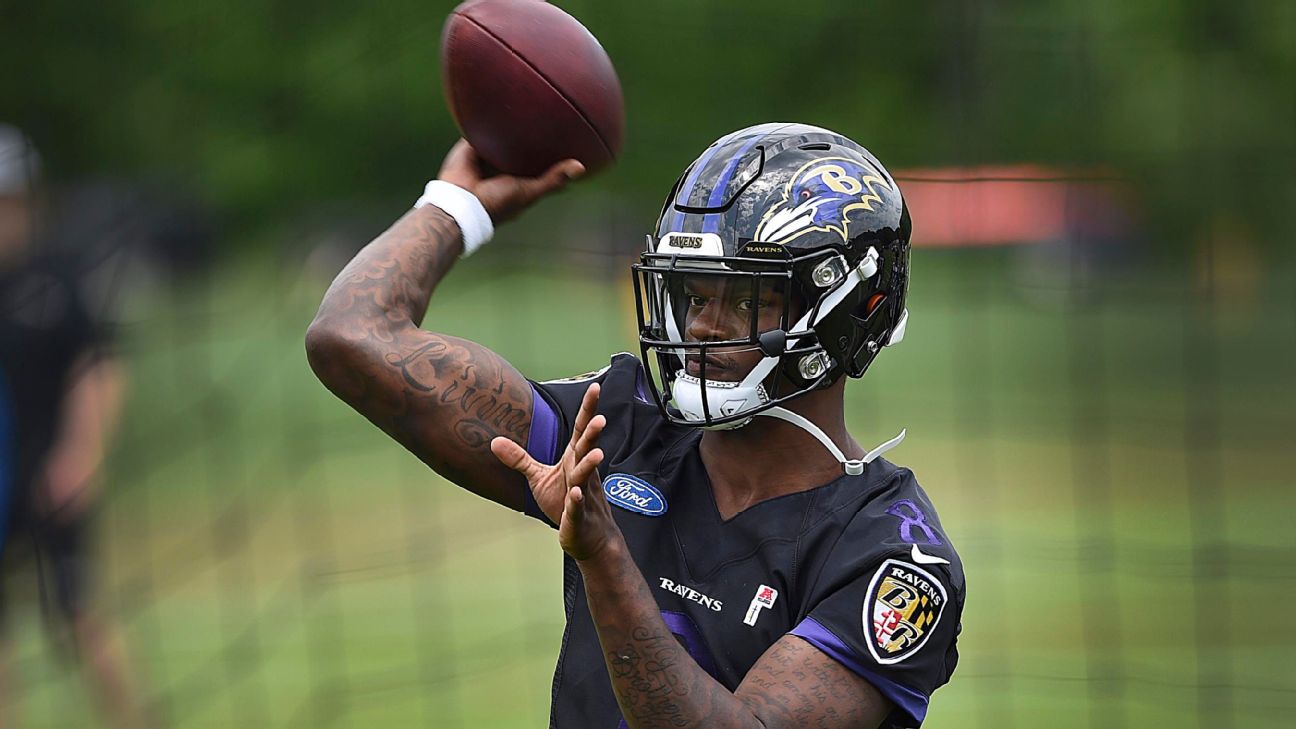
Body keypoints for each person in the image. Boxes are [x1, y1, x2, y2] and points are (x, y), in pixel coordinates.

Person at [307, 122, 965, 728]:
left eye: (745, 297)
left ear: (851, 308)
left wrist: (605, 557)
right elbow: (352, 337)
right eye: (695, 294)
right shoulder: (623, 422)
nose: (704, 325)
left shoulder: (898, 559)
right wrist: (456, 206)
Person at [0, 124, 149, 728]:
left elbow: (101, 367)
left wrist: (80, 456)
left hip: (51, 474)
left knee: (77, 615)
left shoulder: (55, 278)